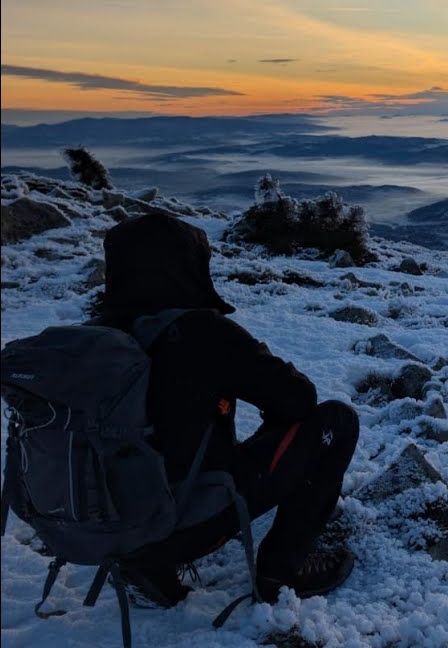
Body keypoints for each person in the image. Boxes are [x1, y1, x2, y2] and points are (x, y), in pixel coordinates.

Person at [97, 213, 359, 607]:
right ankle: (282, 571)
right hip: (179, 524)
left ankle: (148, 566)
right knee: (337, 421)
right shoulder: (199, 332)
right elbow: (299, 398)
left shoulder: (96, 339)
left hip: (102, 527)